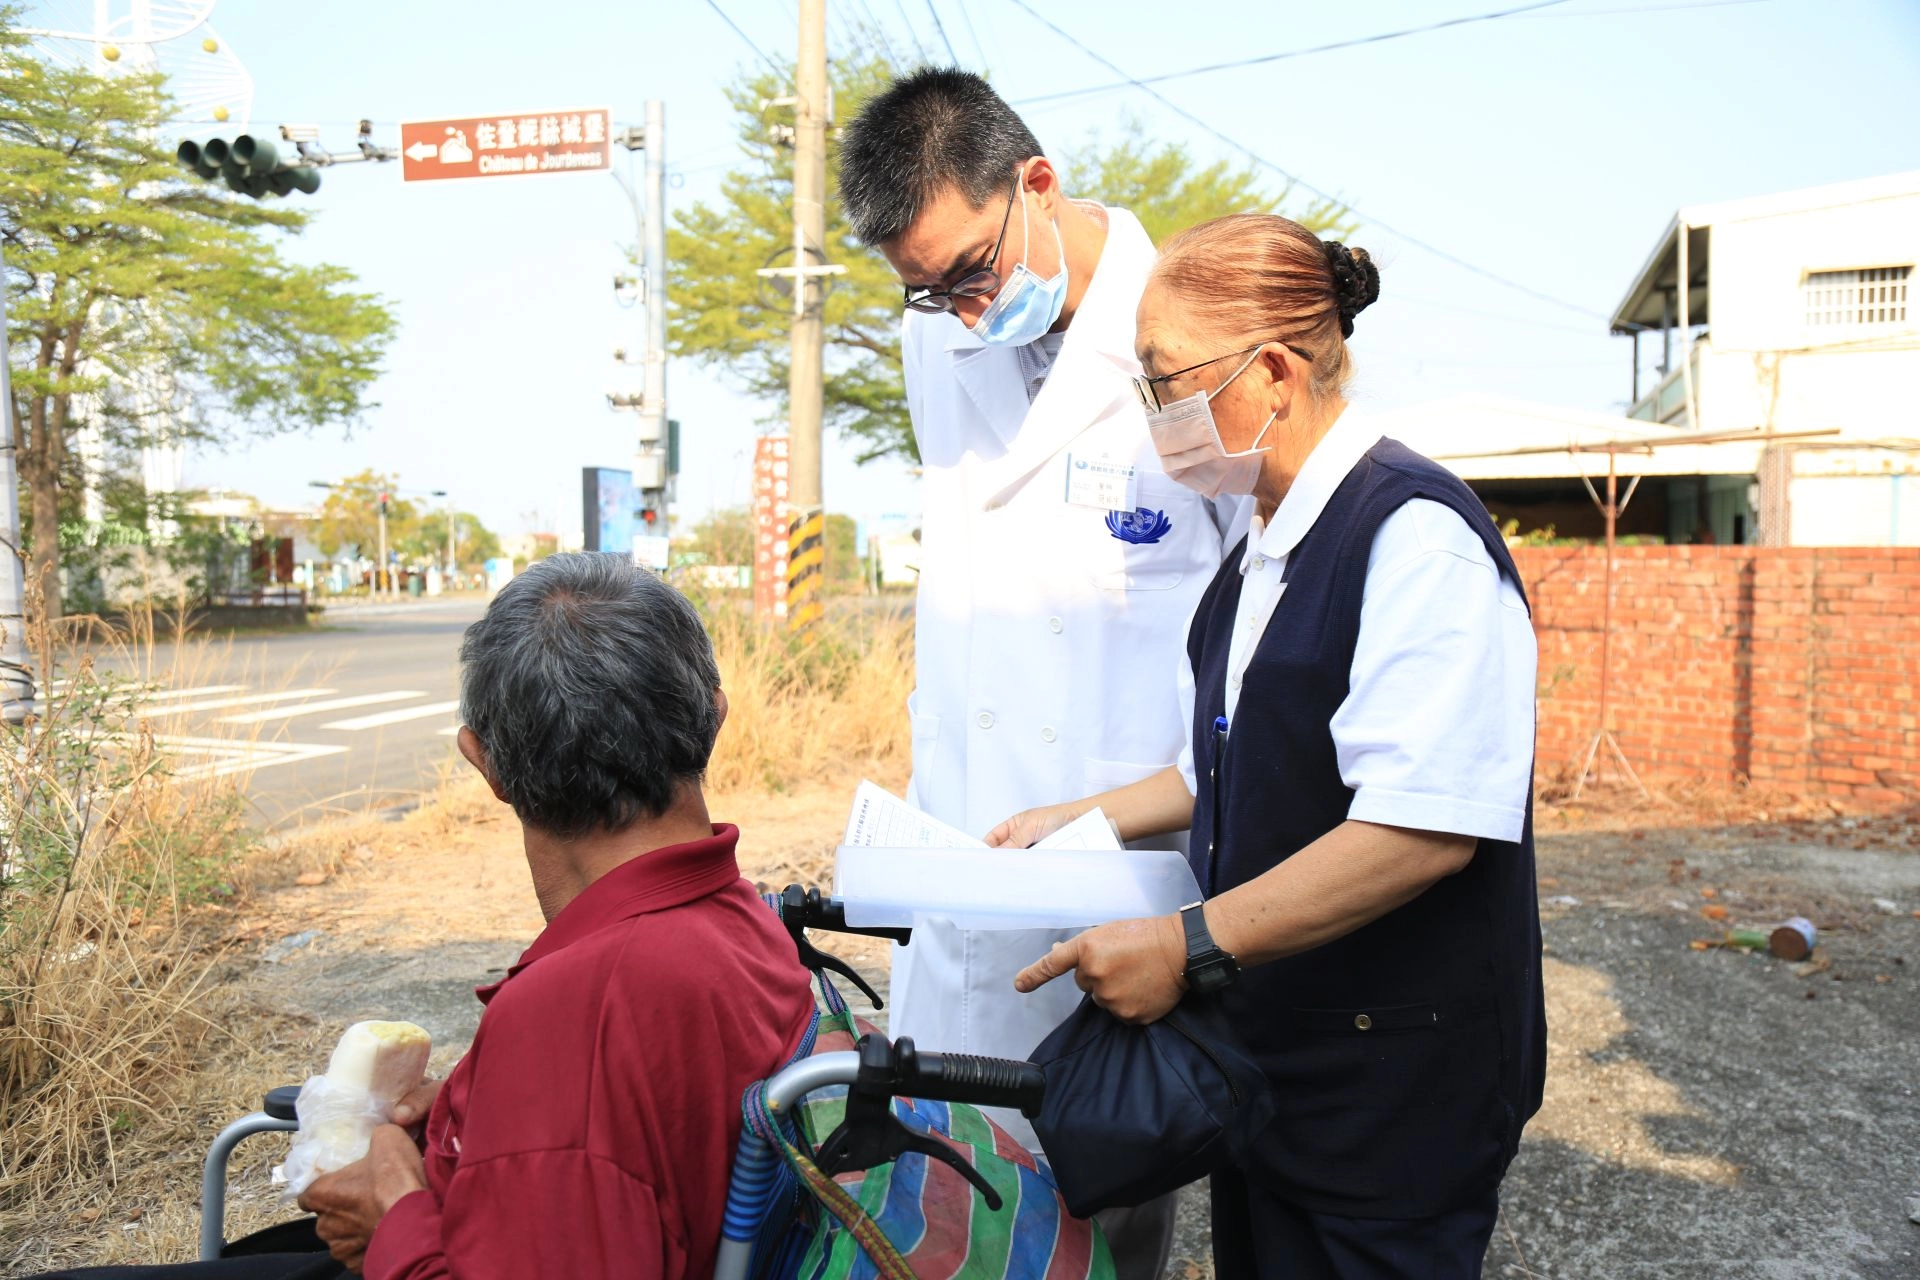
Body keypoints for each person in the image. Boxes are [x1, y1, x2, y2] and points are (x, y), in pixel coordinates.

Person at [995, 214, 1547, 1279]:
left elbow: (1420, 827)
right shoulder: (1257, 544)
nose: (1154, 413)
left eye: (1165, 380)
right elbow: (1232, 761)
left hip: (1392, 1094)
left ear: (1276, 372)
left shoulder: (1412, 538)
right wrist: (1084, 816)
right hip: (1276, 1072)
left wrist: (1183, 944)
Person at [41, 553, 815, 1279]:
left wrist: (395, 1220)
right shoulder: (744, 923)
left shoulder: (582, 1004)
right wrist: (468, 1122)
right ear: (712, 718)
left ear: (486, 765)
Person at [838, 69, 1241, 1278]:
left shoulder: (1183, 339)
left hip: (1116, 899)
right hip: (964, 877)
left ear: (1038, 183)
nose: (960, 316)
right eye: (924, 293)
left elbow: (1251, 655)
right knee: (951, 1220)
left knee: (1104, 1235)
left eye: (969, 273)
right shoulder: (938, 341)